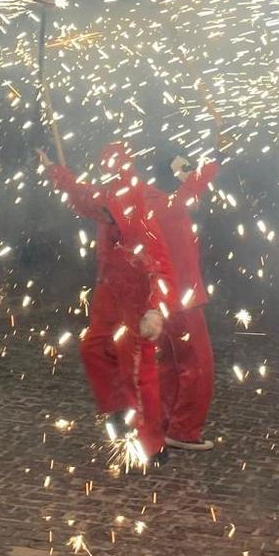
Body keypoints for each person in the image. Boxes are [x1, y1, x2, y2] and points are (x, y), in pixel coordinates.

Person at [43, 144, 175, 467]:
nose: (100, 214)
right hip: (109, 293)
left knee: (137, 373)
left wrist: (155, 310)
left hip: (136, 302)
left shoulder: (141, 224)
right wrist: (57, 173)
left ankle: (149, 444)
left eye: (107, 210)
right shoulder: (110, 201)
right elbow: (85, 200)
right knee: (93, 348)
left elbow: (163, 271)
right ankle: (118, 412)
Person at [152, 152, 220, 450]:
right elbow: (194, 184)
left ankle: (164, 422)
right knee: (197, 365)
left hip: (164, 299)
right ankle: (183, 430)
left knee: (170, 363)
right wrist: (217, 157)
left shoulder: (147, 201)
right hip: (182, 299)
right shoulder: (170, 205)